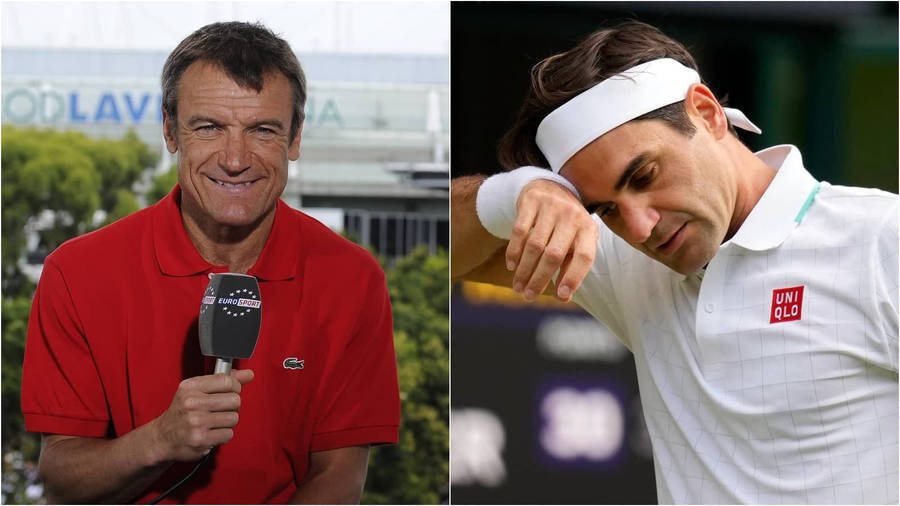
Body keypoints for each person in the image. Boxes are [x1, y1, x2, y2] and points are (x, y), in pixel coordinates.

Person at [452, 21, 898, 504]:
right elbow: (437, 247)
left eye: (644, 175)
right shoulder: (628, 257)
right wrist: (519, 192)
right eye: (606, 209)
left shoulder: (881, 238)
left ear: (706, 113)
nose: (640, 227)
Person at [21, 22, 400, 504]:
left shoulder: (353, 279)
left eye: (262, 130)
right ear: (169, 131)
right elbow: (61, 480)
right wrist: (159, 440)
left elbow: (340, 475)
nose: (235, 159)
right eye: (209, 128)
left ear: (295, 137)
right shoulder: (76, 274)